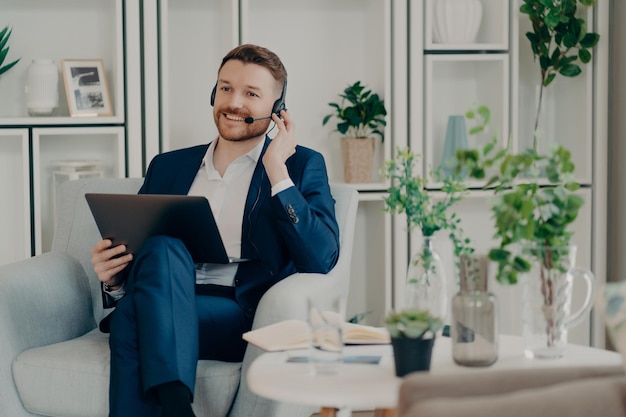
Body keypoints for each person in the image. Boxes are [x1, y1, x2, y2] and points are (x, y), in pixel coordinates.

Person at [90, 44, 340, 417]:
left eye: (251, 94)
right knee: (157, 255)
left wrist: (277, 172)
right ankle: (177, 405)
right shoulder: (168, 166)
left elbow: (321, 258)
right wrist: (113, 279)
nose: (234, 102)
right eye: (225, 88)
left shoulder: (301, 164)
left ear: (277, 109)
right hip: (163, 294)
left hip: (232, 310)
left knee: (133, 316)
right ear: (214, 93)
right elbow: (136, 254)